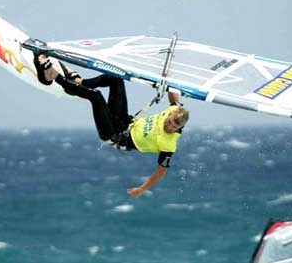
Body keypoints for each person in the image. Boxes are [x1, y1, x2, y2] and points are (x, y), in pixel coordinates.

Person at [33, 53, 189, 198]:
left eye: (172, 128)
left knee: (95, 96)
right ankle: (79, 83)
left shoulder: (169, 144)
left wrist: (142, 189)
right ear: (170, 114)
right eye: (168, 122)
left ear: (178, 129)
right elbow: (173, 95)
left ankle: (55, 76)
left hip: (115, 136)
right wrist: (168, 79)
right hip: (123, 120)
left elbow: (160, 172)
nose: (168, 127)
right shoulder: (175, 109)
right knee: (116, 79)